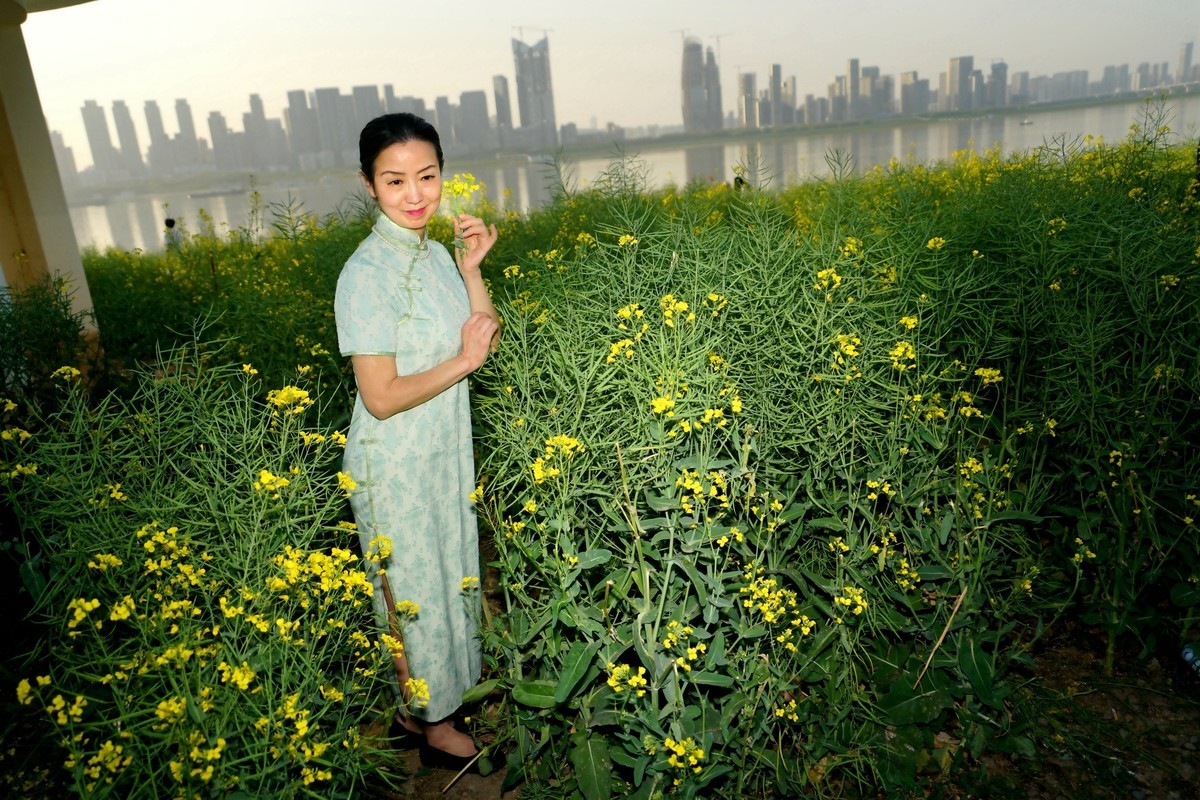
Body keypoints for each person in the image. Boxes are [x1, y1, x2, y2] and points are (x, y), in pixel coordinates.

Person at [334, 112, 499, 771]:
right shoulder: (365, 274)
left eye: (426, 176)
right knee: (412, 591)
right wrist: (459, 362)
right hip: (392, 461)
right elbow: (380, 394)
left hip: (439, 451)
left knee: (450, 576)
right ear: (369, 186)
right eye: (395, 179)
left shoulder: (433, 255)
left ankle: (421, 708)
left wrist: (472, 269)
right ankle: (431, 727)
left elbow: (478, 337)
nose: (414, 194)